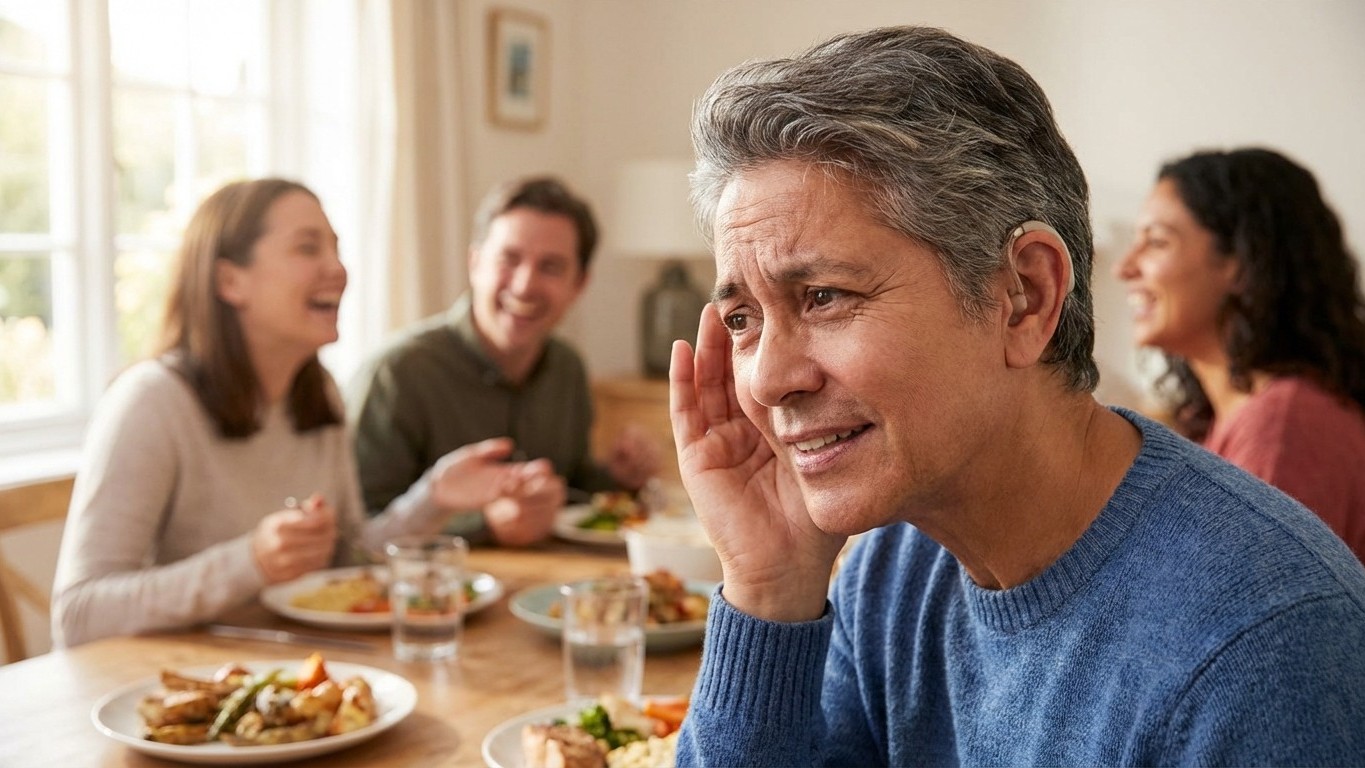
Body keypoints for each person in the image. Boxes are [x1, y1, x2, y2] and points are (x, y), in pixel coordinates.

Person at [668, 26, 1365, 766]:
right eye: (742, 319)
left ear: (1024, 298)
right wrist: (768, 588)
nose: (769, 378)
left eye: (823, 296)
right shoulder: (897, 567)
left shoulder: (1259, 642)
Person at [51, 178, 518, 647]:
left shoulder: (319, 394)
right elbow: (80, 613)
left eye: (336, 249)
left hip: (295, 672)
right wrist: (250, 562)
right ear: (229, 280)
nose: (337, 269)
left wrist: (434, 498)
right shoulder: (150, 402)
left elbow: (350, 560)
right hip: (176, 691)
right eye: (307, 249)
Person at [348, 176, 660, 547]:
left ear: (579, 285)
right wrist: (485, 525)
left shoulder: (568, 368)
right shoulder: (396, 374)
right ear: (475, 264)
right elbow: (360, 533)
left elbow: (569, 489)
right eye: (509, 259)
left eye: (551, 267)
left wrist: (617, 479)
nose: (525, 284)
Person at [1114, 147, 1365, 562]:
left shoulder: (1283, 427)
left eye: (1157, 242)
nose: (1124, 268)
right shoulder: (1241, 419)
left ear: (1242, 262)